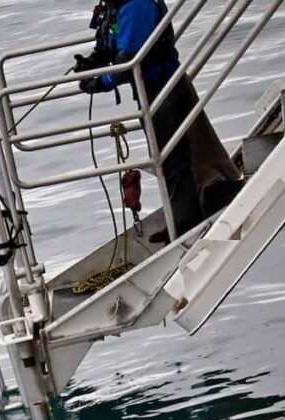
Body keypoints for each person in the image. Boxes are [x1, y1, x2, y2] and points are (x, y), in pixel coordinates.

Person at [75, 0, 204, 244]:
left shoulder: (136, 6)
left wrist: (100, 83)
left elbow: (129, 62)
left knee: (172, 158)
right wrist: (93, 61)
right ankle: (180, 218)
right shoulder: (117, 6)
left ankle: (186, 224)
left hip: (163, 89)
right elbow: (113, 43)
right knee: (165, 158)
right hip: (148, 92)